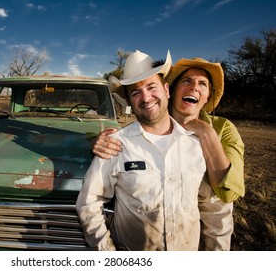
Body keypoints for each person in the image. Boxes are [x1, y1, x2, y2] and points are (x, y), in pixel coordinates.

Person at [92, 57, 245, 250]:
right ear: (171, 91)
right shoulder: (143, 129)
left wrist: (207, 133)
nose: (194, 88)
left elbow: (225, 196)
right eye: (187, 81)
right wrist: (97, 142)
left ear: (208, 96)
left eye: (202, 84)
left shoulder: (222, 129)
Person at [76, 50, 207, 251]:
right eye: (136, 92)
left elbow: (213, 208)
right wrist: (107, 253)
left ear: (166, 90)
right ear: (129, 101)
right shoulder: (115, 145)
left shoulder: (196, 143)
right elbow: (89, 203)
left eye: (151, 87)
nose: (146, 98)